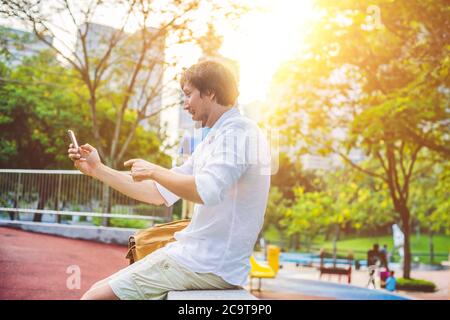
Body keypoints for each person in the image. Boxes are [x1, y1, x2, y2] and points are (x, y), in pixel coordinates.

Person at [68, 60, 271, 300]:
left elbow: (207, 190)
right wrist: (98, 169)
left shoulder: (240, 132)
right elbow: (157, 192)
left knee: (93, 299)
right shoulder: (215, 138)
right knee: (95, 291)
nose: (185, 104)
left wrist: (154, 170)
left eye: (188, 95)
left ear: (210, 92)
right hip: (193, 257)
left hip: (207, 263)